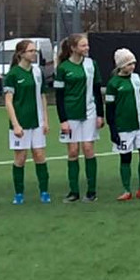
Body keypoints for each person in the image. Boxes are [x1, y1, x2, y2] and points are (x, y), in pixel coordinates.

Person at [54, 33, 104, 203]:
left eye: (87, 45)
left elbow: (97, 91)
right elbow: (59, 97)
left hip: (89, 112)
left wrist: (100, 114)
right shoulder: (63, 69)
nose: (86, 48)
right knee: (73, 151)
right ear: (73, 48)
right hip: (70, 114)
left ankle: (91, 192)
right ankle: (73, 191)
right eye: (83, 45)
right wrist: (63, 120)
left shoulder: (91, 65)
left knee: (88, 149)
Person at [105, 48, 140, 201]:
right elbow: (110, 108)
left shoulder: (137, 79)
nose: (132, 66)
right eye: (128, 64)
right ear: (120, 66)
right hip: (123, 126)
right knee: (125, 157)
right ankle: (126, 190)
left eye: (133, 63)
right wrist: (113, 129)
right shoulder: (113, 84)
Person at [4, 39, 51, 204]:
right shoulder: (13, 75)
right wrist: (16, 124)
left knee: (39, 155)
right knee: (21, 158)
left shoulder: (38, 72)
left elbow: (43, 96)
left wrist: (45, 120)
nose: (34, 54)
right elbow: (8, 101)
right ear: (21, 54)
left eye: (35, 51)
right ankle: (19, 194)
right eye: (31, 51)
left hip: (37, 122)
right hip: (21, 123)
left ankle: (44, 192)